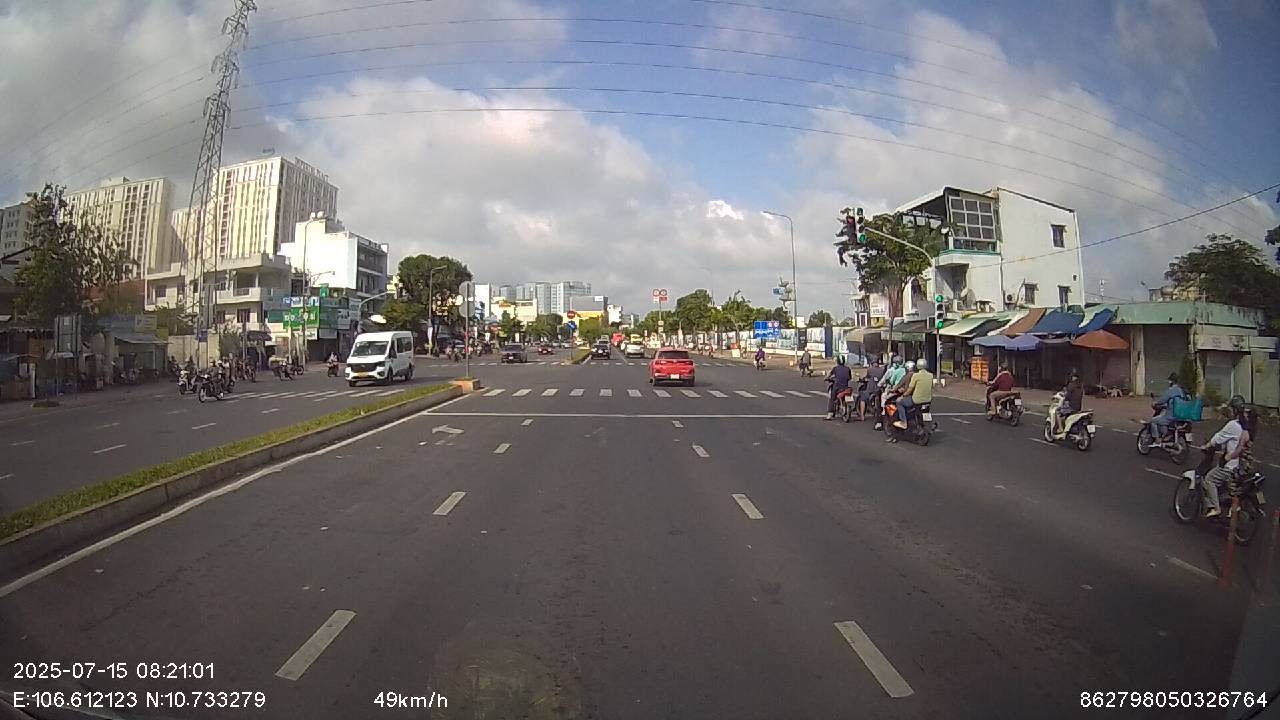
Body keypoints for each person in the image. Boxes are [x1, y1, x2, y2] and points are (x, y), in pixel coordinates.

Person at [1201, 395, 1253, 518]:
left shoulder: (1233, 425)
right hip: (1242, 466)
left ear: (1233, 410)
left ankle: (1216, 508)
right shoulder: (1246, 426)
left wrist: (1207, 445)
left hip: (1230, 466)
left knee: (1209, 479)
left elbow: (1218, 438)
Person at [893, 359, 934, 431]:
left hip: (916, 400)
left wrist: (902, 396)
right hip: (928, 400)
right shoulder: (930, 375)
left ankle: (903, 422)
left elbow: (910, 389)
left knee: (899, 402)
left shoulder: (916, 375)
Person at [1151, 373, 1187, 440]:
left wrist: (1155, 403)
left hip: (1171, 417)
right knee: (1163, 421)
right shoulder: (1181, 391)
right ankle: (1165, 436)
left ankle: (1157, 439)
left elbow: (1162, 400)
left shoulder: (1171, 391)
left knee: (1153, 421)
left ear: (1171, 381)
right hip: (1180, 416)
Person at [824, 356, 854, 420]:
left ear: (837, 361)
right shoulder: (848, 368)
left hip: (837, 387)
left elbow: (829, 375)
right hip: (845, 387)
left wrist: (826, 378)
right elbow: (850, 378)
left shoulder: (835, 368)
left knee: (832, 398)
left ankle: (830, 414)